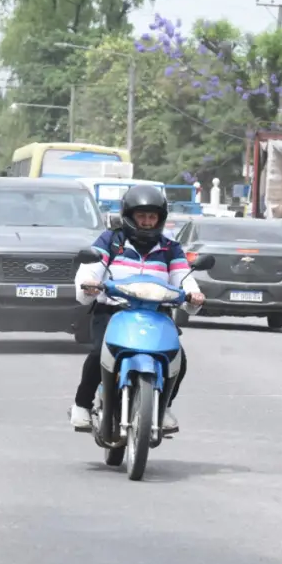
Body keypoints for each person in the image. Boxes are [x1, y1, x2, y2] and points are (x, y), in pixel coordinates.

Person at [70, 185, 205, 434]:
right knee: (100, 352)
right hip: (112, 311)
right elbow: (91, 268)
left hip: (156, 313)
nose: (146, 222)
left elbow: (182, 277)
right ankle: (81, 405)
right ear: (129, 217)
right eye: (141, 216)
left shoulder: (169, 248)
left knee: (178, 359)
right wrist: (88, 285)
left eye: (152, 217)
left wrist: (193, 294)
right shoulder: (110, 240)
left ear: (160, 219)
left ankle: (163, 407)